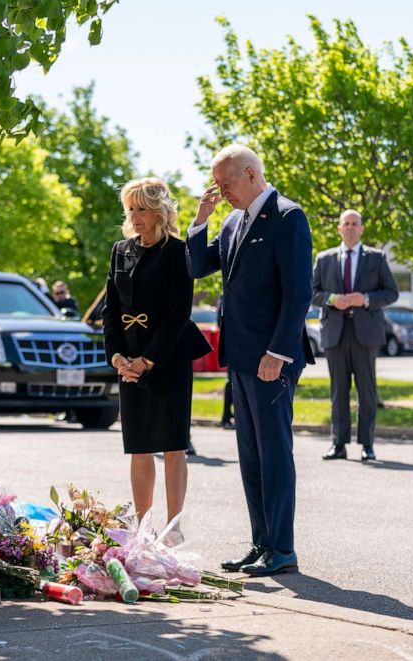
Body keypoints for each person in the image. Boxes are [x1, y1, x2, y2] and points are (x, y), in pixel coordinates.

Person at [186, 144, 314, 577]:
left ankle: (283, 549)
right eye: (217, 185)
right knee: (251, 456)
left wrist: (278, 352)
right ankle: (261, 544)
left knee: (274, 453)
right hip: (241, 357)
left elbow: (299, 293)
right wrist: (200, 221)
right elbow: (197, 265)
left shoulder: (287, 216)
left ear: (251, 174)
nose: (221, 192)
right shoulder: (232, 219)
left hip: (271, 358)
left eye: (226, 183)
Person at [102, 177, 211, 526]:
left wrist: (147, 360)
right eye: (130, 208)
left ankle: (173, 526)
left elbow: (180, 312)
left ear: (160, 212)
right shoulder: (121, 250)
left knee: (172, 444)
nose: (135, 216)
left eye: (142, 209)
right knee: (139, 444)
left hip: (168, 358)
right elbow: (110, 309)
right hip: (128, 359)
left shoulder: (179, 252)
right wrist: (118, 358)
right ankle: (143, 525)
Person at [312, 210, 399, 462]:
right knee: (338, 392)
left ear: (362, 228)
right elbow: (311, 291)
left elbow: (391, 293)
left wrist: (367, 299)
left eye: (354, 224)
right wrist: (331, 299)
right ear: (339, 229)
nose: (350, 228)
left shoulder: (376, 258)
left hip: (365, 334)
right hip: (335, 334)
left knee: (367, 392)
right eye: (345, 224)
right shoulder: (324, 258)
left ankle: (367, 445)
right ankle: (338, 444)